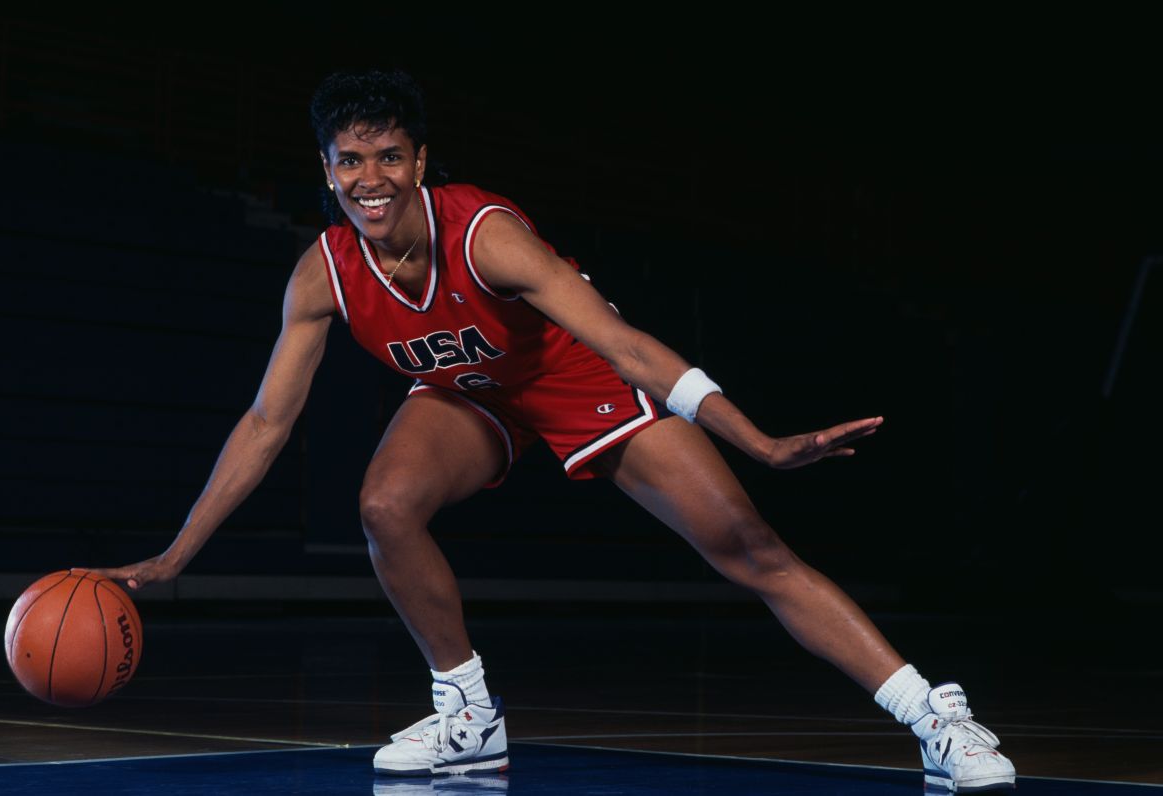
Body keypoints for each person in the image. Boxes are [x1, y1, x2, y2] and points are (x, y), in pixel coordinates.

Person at [95, 69, 1016, 792]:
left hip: (572, 376)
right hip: (473, 395)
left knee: (748, 549)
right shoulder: (321, 276)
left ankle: (933, 718)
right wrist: (177, 558)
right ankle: (467, 709)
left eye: (386, 158)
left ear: (420, 163)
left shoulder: (487, 235)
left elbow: (627, 344)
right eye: (348, 162)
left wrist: (760, 440)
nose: (367, 180)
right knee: (384, 504)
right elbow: (266, 423)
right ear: (327, 174)